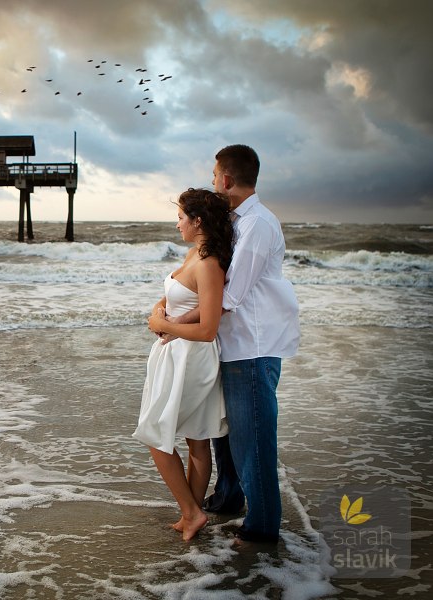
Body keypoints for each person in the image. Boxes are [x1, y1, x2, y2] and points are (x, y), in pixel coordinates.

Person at [172, 145, 300, 544]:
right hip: (232, 346)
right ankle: (229, 498)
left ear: (226, 180)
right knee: (225, 433)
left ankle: (262, 528)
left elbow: (231, 295)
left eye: (214, 176)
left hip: (252, 347)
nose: (212, 182)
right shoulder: (235, 221)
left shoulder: (258, 224)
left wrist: (175, 322)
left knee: (253, 440)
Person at [134, 188, 234, 541]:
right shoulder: (196, 254)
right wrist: (160, 308)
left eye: (180, 217)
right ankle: (191, 514)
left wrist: (164, 326)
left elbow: (208, 329)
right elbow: (175, 290)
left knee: (155, 433)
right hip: (176, 353)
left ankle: (192, 512)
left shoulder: (208, 264)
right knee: (196, 441)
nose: (177, 224)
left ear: (198, 220)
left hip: (191, 357)